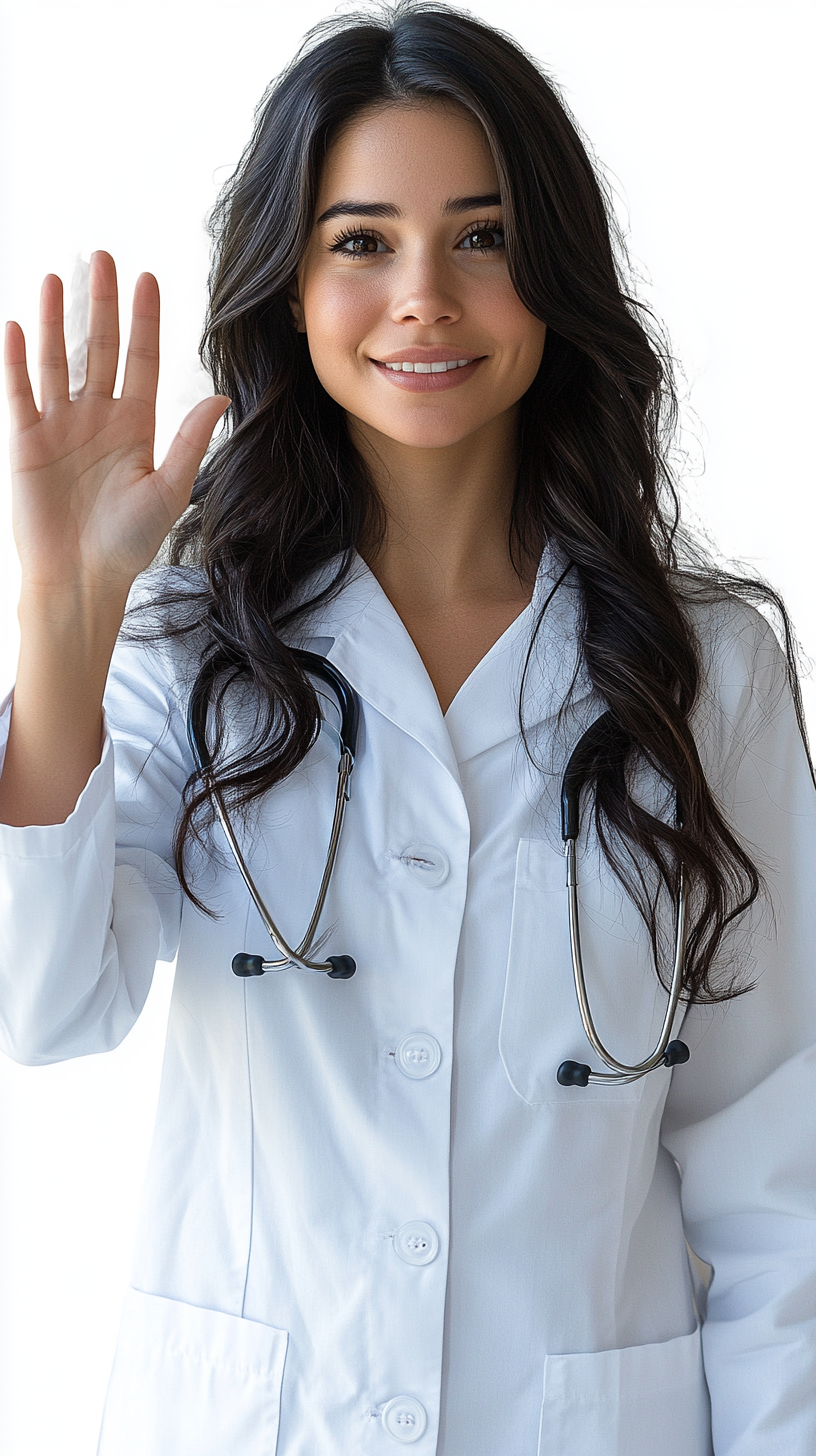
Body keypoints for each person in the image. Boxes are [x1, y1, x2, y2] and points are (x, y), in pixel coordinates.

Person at [1, 3, 814, 1452]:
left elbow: (782, 1175)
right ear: (291, 288)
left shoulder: (708, 669)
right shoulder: (189, 638)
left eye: (483, 236)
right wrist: (70, 608)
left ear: (553, 275)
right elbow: (45, 1005)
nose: (423, 295)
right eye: (361, 240)